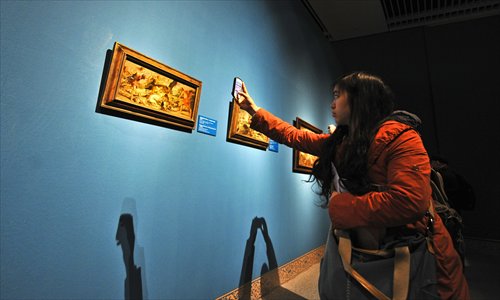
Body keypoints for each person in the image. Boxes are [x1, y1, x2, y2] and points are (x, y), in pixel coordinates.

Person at [235, 72, 469, 299]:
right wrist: (253, 110)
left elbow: (409, 201)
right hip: (367, 248)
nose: (332, 103)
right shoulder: (344, 142)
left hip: (411, 253)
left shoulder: (401, 137)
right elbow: (296, 136)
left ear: (359, 99)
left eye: (337, 95)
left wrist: (340, 206)